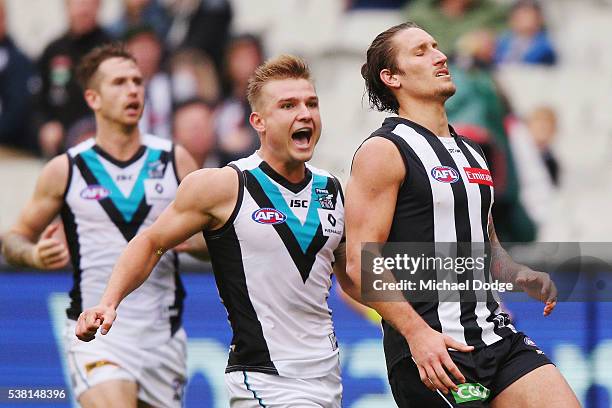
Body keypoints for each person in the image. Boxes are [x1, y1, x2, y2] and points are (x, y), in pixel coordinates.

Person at [75, 54, 348, 407]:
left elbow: (356, 274)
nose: (305, 114)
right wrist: (108, 302)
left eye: (311, 103)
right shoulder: (225, 185)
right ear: (258, 121)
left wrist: (418, 323)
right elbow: (151, 242)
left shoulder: (332, 189)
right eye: (288, 105)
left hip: (327, 376)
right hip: (265, 378)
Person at [345, 22, 580, 407]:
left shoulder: (472, 150)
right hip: (435, 347)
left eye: (436, 47)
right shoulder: (383, 151)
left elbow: (486, 246)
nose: (440, 56)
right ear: (392, 77)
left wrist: (520, 275)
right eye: (420, 51)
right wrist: (418, 335)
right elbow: (359, 263)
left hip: (495, 336)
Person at [1, 43, 200, 407]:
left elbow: (216, 236)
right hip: (94, 330)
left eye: (138, 81)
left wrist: (196, 242)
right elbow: (13, 238)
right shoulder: (67, 169)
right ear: (93, 98)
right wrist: (32, 254)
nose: (133, 90)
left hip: (163, 338)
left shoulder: (175, 161)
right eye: (120, 82)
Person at [35, 0, 111, 157]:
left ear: (98, 6)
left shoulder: (111, 49)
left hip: (103, 145)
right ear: (67, 6)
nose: (83, 9)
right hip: (61, 149)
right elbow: (37, 100)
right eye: (78, 3)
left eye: (89, 3)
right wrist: (45, 125)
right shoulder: (54, 49)